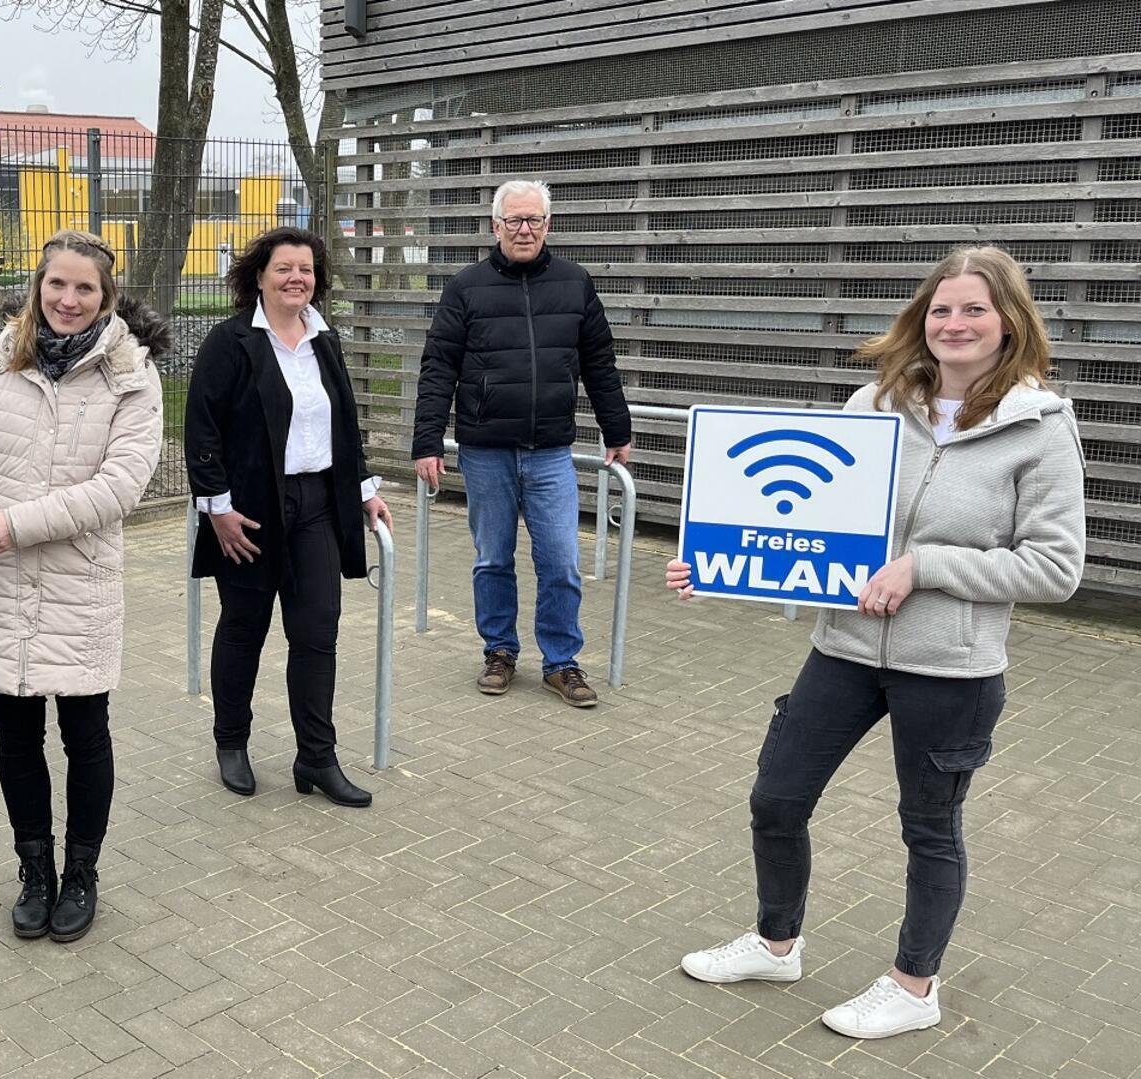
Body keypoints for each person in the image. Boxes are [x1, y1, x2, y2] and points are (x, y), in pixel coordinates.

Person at [669, 246, 1086, 1039]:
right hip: (846, 648)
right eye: (941, 308)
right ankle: (774, 940)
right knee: (776, 798)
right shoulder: (876, 400)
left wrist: (925, 566)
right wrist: (718, 561)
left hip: (951, 668)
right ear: (920, 318)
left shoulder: (1041, 429)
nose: (954, 323)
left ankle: (913, 986)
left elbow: (1055, 566)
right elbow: (812, 525)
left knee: (930, 827)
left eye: (974, 309)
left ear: (1008, 322)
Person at [0, 229, 164, 943]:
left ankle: (81, 873)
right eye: (57, 285)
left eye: (85, 288)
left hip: (79, 580)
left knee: (86, 732)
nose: (69, 300)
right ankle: (35, 870)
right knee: (14, 732)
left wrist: (15, 523)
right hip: (5, 577)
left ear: (106, 296)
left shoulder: (133, 377)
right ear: (38, 286)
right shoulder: (0, 362)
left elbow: (120, 488)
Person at [185, 226, 394, 807]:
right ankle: (231, 741)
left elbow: (342, 424)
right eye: (284, 268)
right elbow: (201, 431)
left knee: (316, 634)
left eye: (306, 269)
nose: (296, 278)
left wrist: (363, 491)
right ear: (259, 276)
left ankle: (317, 758)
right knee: (244, 629)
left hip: (317, 510)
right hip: (248, 513)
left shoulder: (325, 341)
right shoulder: (230, 343)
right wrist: (217, 510)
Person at [411, 179, 632, 707]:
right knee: (493, 559)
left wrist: (617, 429)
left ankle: (561, 661)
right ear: (495, 226)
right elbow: (438, 367)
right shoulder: (466, 287)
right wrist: (426, 442)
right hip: (485, 450)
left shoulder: (575, 284)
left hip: (551, 451)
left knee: (560, 560)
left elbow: (600, 362)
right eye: (514, 220)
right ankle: (499, 652)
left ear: (548, 225)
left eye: (534, 219)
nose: (525, 229)